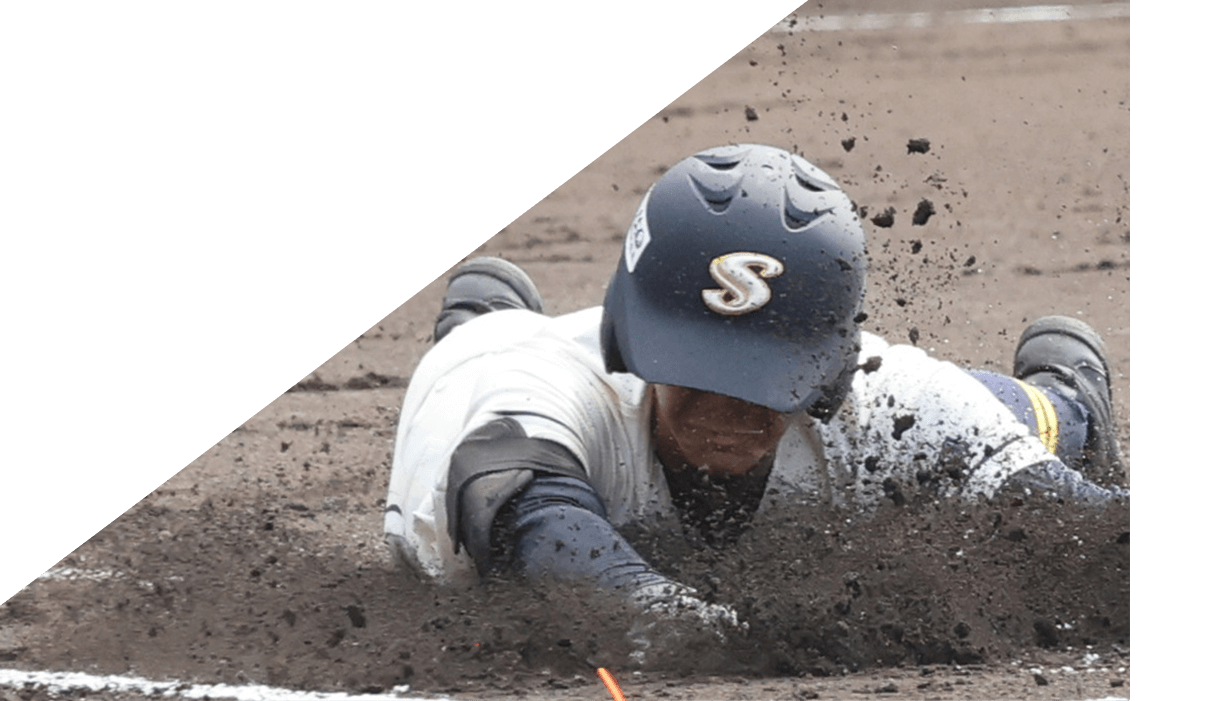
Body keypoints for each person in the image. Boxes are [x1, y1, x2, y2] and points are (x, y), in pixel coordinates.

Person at [382, 144, 1127, 658]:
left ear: (830, 367)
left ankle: (1069, 398)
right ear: (633, 341)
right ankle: (484, 314)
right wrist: (692, 628)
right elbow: (537, 524)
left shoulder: (883, 395)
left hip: (912, 400)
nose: (732, 402)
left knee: (1008, 423)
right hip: (492, 369)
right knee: (478, 358)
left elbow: (1090, 539)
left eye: (767, 374)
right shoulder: (531, 397)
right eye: (701, 365)